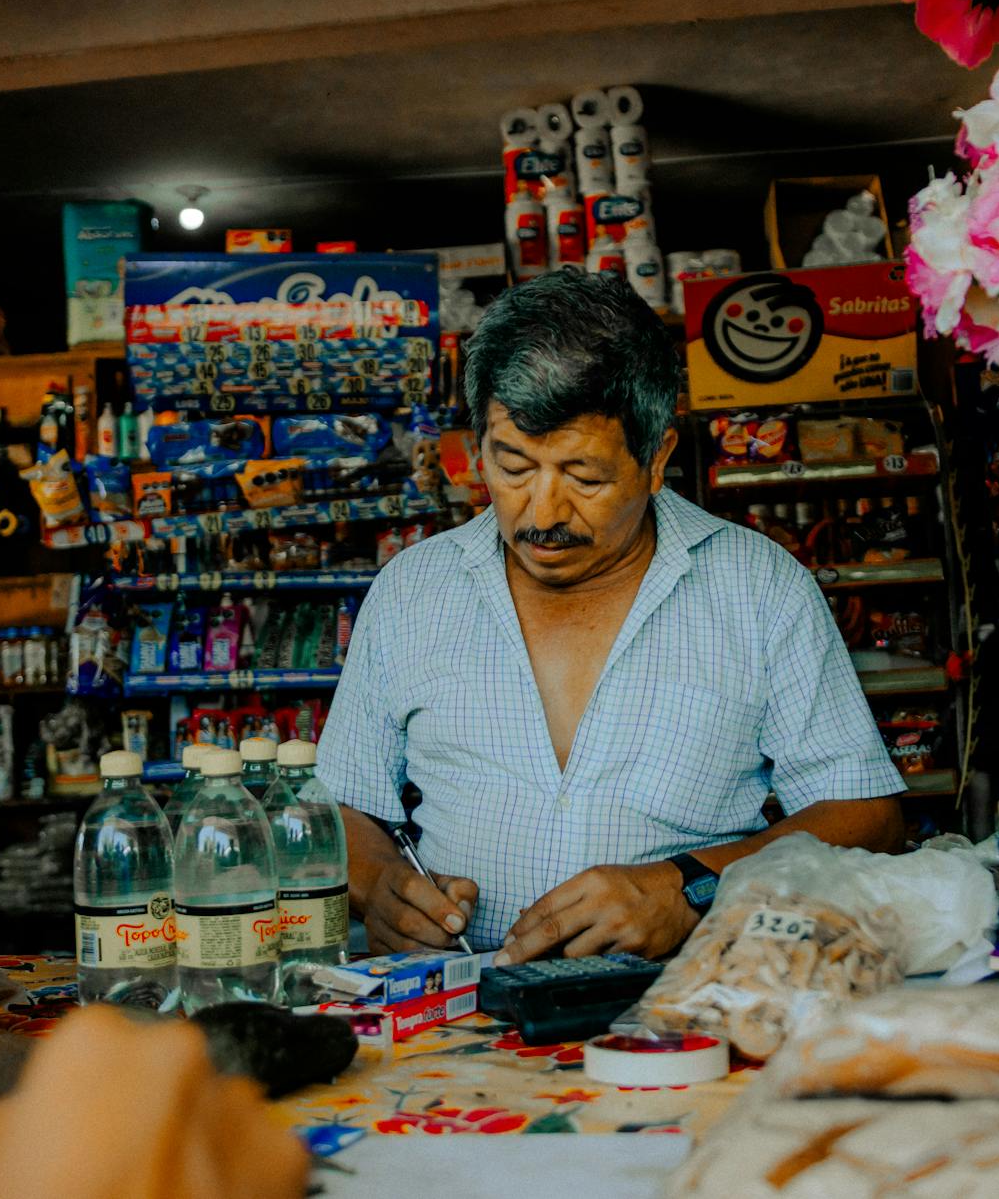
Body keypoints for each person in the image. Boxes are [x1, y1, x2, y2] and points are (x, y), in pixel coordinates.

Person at [321, 268, 906, 965]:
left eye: (584, 476)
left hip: (685, 1008)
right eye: (511, 467)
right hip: (453, 1016)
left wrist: (689, 888)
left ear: (656, 457)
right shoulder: (411, 591)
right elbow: (341, 804)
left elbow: (868, 815)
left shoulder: (759, 588)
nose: (541, 514)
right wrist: (380, 884)